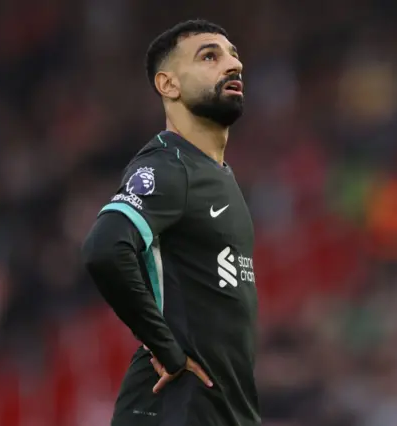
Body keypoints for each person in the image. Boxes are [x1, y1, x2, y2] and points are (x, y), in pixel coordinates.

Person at [82, 19, 259, 426]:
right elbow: (104, 248)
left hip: (221, 410)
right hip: (174, 409)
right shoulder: (169, 164)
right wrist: (165, 348)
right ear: (169, 85)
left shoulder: (217, 176)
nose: (233, 65)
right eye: (210, 56)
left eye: (234, 56)